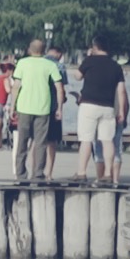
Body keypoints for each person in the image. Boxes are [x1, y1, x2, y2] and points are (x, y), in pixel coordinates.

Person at [73, 37, 127, 185]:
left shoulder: (90, 61)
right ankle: (108, 173)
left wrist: (87, 58)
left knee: (86, 139)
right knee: (107, 140)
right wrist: (121, 110)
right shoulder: (116, 66)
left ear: (95, 47)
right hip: (108, 107)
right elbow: (121, 91)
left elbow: (77, 76)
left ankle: (82, 172)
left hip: (89, 104)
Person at [10, 39, 64, 182]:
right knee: (41, 143)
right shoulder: (50, 65)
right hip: (43, 108)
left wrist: (12, 107)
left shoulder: (22, 63)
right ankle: (38, 174)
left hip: (24, 107)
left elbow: (15, 87)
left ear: (29, 49)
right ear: (44, 50)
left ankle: (21, 174)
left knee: (22, 142)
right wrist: (59, 108)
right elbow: (59, 88)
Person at [41, 44, 73, 179]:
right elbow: (61, 88)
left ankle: (36, 171)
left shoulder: (38, 63)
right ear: (59, 53)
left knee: (36, 141)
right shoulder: (59, 67)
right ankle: (48, 172)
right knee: (51, 142)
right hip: (53, 107)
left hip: (37, 107)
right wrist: (62, 102)